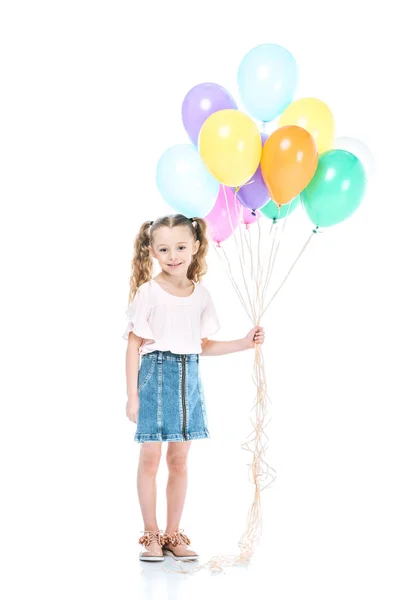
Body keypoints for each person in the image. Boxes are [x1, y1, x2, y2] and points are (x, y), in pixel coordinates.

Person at [122, 213, 264, 563]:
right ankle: (151, 533)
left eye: (181, 246)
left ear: (196, 246)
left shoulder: (201, 296)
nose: (174, 255)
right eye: (164, 248)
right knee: (151, 457)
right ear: (153, 252)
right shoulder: (149, 292)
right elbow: (133, 345)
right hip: (155, 375)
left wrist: (244, 344)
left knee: (180, 460)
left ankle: (173, 533)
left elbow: (202, 345)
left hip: (189, 377)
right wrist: (132, 395)